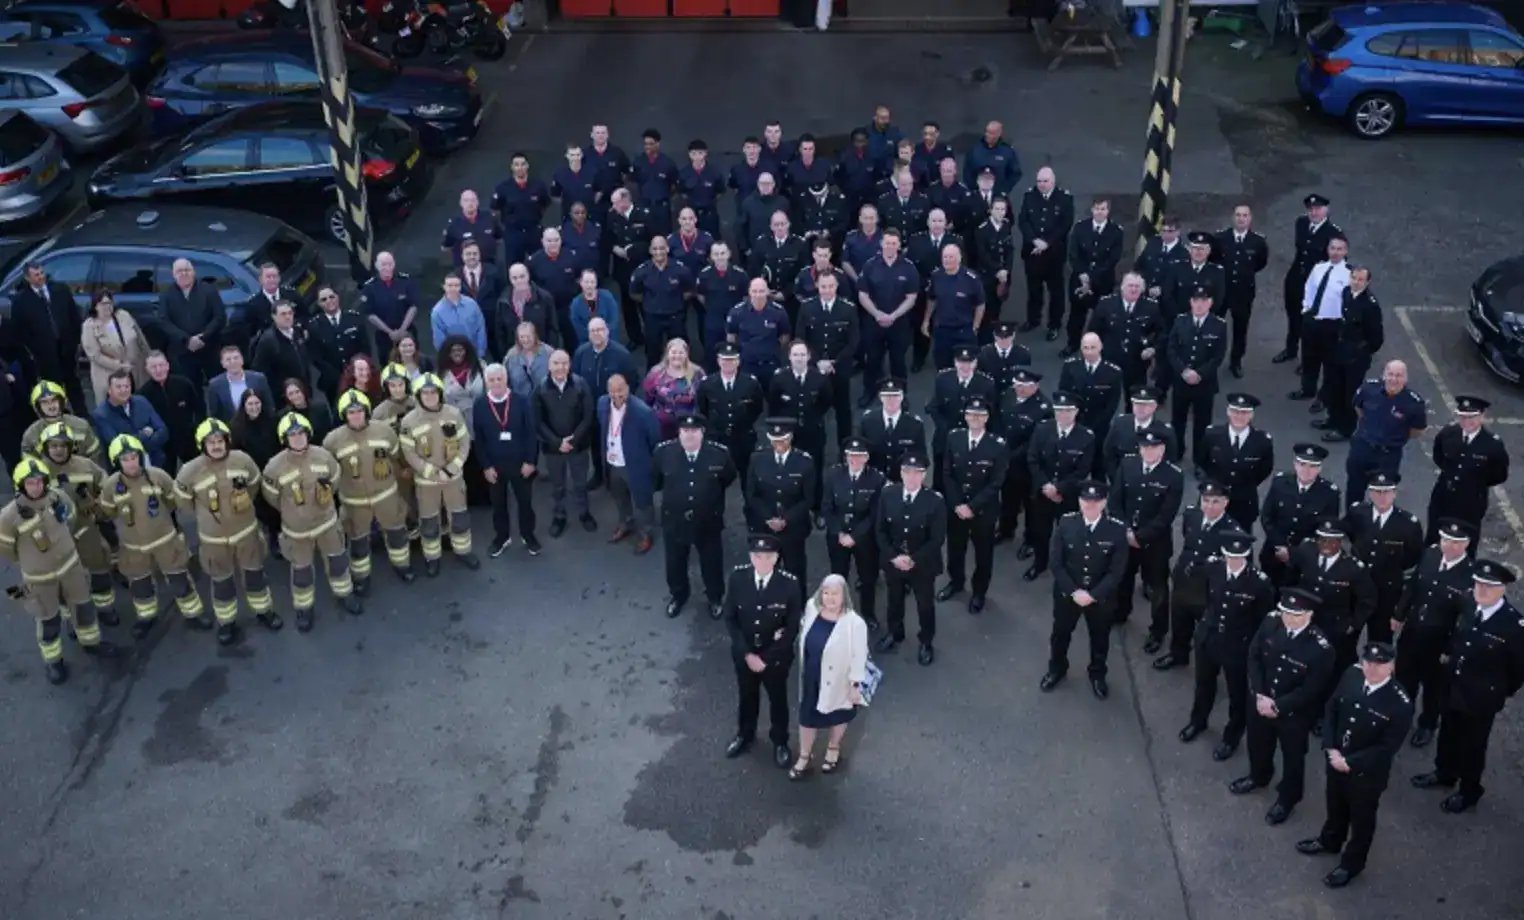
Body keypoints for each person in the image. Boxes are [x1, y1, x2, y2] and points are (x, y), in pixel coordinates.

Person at [1410, 559, 1524, 815]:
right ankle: (1445, 773)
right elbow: (1458, 639)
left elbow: (1518, 670)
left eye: (1489, 586)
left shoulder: (1514, 626)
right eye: (1478, 584)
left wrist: (1499, 691)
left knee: (1473, 746)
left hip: (1481, 697)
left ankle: (1469, 791)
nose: (1481, 590)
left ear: (1503, 589)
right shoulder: (1470, 607)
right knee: (1449, 733)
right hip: (1454, 685)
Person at [1295, 641, 1412, 888]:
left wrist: (1349, 761)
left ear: (1391, 667)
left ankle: (1352, 864)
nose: (1372, 668)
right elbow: (1332, 709)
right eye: (1369, 662)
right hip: (1336, 758)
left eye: (1380, 665)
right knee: (1335, 804)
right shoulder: (1351, 674)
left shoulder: (1399, 703)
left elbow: (1387, 747)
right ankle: (1330, 841)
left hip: (1365, 773)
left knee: (1362, 820)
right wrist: (1330, 746)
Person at [0, 458, 121, 684]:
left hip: (71, 568)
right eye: (30, 483)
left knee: (83, 607)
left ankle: (91, 643)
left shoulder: (58, 497)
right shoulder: (9, 517)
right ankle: (53, 662)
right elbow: (7, 549)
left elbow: (71, 519)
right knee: (48, 619)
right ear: (20, 485)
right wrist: (33, 561)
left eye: (39, 481)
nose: (36, 486)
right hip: (40, 579)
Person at [1231, 586, 1337, 825]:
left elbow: (1313, 688)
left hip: (1293, 714)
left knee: (1293, 758)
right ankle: (1258, 776)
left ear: (1309, 616)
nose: (1289, 619)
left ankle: (1288, 799)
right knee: (1258, 744)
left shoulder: (1321, 648)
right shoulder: (1271, 623)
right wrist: (1259, 694)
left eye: (1296, 615)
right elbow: (1254, 656)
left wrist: (1277, 706)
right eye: (1286, 613)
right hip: (1261, 701)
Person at [173, 418, 281, 643]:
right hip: (214, 540)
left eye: (220, 440)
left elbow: (253, 484)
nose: (216, 445)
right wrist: (206, 518)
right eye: (210, 442)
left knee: (255, 575)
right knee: (221, 582)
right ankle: (227, 623)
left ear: (227, 441)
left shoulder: (242, 460)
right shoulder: (189, 471)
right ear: (202, 444)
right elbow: (183, 502)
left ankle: (264, 612)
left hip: (246, 533)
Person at [1180, 530, 1277, 761]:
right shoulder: (1213, 568)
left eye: (1239, 557)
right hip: (1209, 638)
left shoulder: (1259, 583)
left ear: (1246, 556)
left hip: (1237, 646)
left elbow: (1264, 621)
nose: (1233, 561)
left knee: (1237, 695)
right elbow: (1206, 593)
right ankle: (1198, 721)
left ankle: (1231, 737)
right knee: (1203, 685)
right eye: (1229, 557)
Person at [100, 433, 207, 638]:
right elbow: (108, 511)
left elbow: (172, 502)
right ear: (117, 462)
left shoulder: (158, 476)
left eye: (134, 457)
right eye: (125, 459)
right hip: (133, 548)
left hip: (165, 541)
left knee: (179, 580)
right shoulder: (110, 487)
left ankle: (193, 614)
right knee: (140, 586)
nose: (131, 463)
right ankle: (146, 618)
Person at [262, 413, 362, 630]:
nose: (297, 438)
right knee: (302, 572)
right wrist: (293, 512)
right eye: (292, 434)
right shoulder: (274, 467)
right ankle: (304, 610)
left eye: (301, 433)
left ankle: (345, 594)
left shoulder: (323, 456)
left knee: (337, 561)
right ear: (284, 439)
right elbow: (271, 497)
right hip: (297, 532)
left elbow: (335, 480)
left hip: (327, 524)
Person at [1040, 481, 1129, 698]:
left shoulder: (1117, 530)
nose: (1090, 505)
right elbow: (1056, 563)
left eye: (1095, 501)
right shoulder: (1066, 523)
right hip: (1068, 594)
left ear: (1104, 502)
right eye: (1085, 501)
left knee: (1100, 638)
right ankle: (1057, 668)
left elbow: (1116, 571)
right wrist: (1073, 591)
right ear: (1079, 501)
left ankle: (1097, 674)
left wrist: (1093, 595)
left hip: (1100, 598)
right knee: (1060, 634)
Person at [322, 389, 416, 589]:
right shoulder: (332, 441)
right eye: (350, 412)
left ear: (366, 411)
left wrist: (405, 474)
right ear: (344, 415)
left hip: (386, 495)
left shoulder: (384, 431)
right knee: (358, 542)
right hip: (354, 502)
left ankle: (402, 566)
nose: (356, 415)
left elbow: (397, 456)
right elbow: (328, 474)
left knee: (396, 532)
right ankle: (361, 578)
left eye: (359, 411)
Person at [1393, 521, 1474, 749]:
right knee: (1404, 678)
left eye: (1456, 542)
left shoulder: (1469, 576)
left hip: (1439, 642)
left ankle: (1427, 724)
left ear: (1466, 544)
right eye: (1446, 540)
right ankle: (1401, 717)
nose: (1449, 546)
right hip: (1412, 632)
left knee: (1433, 687)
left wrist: (1450, 650)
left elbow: (1464, 622)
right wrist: (1399, 613)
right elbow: (1413, 586)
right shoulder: (1430, 555)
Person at [723, 534, 801, 768]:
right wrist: (747, 654)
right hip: (745, 655)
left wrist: (766, 658)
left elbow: (792, 627)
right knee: (747, 696)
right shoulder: (738, 578)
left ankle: (780, 742)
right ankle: (745, 735)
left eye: (768, 556)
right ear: (750, 557)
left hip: (775, 658)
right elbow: (731, 619)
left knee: (777, 699)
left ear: (776, 558)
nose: (762, 561)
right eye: (758, 556)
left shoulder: (789, 584)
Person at [652, 413, 735, 618]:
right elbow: (656, 480)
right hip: (675, 520)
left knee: (712, 562)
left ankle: (715, 597)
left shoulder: (719, 454)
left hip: (708, 520)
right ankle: (678, 596)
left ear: (702, 432)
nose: (689, 435)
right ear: (679, 433)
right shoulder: (663, 453)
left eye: (694, 431)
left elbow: (727, 478)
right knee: (675, 563)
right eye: (685, 431)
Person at [789, 573, 870, 779]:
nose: (830, 598)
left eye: (835, 593)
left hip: (839, 682)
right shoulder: (811, 608)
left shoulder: (854, 623)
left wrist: (855, 684)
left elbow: (859, 655)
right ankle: (805, 756)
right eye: (825, 593)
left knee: (838, 714)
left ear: (844, 596)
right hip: (812, 676)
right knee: (807, 718)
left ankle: (833, 748)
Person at [34, 422, 117, 621]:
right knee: (64, 579)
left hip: (85, 526)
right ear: (45, 448)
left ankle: (105, 610)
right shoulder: (38, 472)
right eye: (53, 446)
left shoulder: (85, 465)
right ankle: (73, 619)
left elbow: (106, 487)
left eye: (63, 445)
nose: (59, 450)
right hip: (55, 536)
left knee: (99, 567)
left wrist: (99, 504)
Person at [399, 374, 480, 575]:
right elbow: (409, 453)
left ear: (440, 393)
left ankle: (463, 552)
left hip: (453, 479)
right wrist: (432, 472)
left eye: (433, 392)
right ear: (418, 395)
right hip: (427, 483)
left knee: (459, 517)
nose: (429, 396)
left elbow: (464, 443)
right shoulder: (409, 421)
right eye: (425, 393)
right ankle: (432, 558)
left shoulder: (453, 413)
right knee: (429, 522)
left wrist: (452, 468)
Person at [1109, 430, 1184, 648]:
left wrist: (1139, 537)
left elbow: (1166, 516)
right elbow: (1115, 501)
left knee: (1158, 588)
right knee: (1123, 579)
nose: (1148, 451)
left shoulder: (1173, 475)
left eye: (1154, 447)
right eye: (1145, 447)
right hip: (1126, 536)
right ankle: (1121, 612)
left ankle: (1158, 631)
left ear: (1162, 449)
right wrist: (1125, 531)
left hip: (1155, 543)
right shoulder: (1128, 465)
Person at [874, 452, 946, 666]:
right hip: (894, 562)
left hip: (922, 564)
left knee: (924, 605)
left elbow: (937, 538)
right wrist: (893, 556)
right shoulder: (888, 495)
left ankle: (926, 641)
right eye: (907, 472)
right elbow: (880, 530)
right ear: (901, 473)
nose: (912, 477)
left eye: (917, 473)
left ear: (924, 476)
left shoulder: (935, 501)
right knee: (894, 600)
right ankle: (895, 633)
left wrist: (913, 559)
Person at [938, 397, 1009, 614]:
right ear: (965, 416)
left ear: (987, 418)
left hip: (983, 511)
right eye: (971, 414)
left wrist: (973, 506)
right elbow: (947, 473)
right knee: (955, 549)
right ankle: (956, 582)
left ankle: (979, 592)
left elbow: (997, 481)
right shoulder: (954, 438)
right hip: (956, 509)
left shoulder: (998, 445)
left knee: (983, 554)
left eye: (980, 415)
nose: (975, 419)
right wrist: (958, 504)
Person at [1341, 472, 1424, 645]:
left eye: (1386, 491)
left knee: (1379, 643)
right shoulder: (1358, 512)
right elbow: (1347, 534)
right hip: (1356, 587)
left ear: (1394, 493)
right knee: (1346, 637)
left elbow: (1412, 558)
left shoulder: (1408, 524)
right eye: (1377, 492)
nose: (1382, 496)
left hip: (1386, 592)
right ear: (1370, 493)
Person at [1155, 481, 1234, 656]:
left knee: (1207, 631)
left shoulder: (1231, 532)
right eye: (1206, 500)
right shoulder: (1192, 515)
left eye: (1215, 501)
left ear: (1225, 503)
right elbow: (1188, 541)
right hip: (1184, 579)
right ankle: (1178, 654)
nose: (1209, 506)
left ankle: (1207, 666)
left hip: (1206, 588)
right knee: (1179, 621)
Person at [1023, 392, 1095, 581]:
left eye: (1068, 410)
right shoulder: (1042, 430)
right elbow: (1032, 459)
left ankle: (1066, 567)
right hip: (1042, 493)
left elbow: (1082, 470)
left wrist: (1059, 488)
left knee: (1068, 534)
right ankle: (1039, 564)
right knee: (1040, 532)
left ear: (1076, 412)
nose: (1063, 414)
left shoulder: (1086, 437)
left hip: (1068, 495)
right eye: (1059, 410)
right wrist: (1045, 486)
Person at [1426, 395, 1509, 553]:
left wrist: (1474, 483)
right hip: (1443, 497)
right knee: (1434, 538)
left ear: (1482, 416)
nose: (1466, 422)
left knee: (1466, 543)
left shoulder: (1492, 445)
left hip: (1470, 503)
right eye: (1463, 417)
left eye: (1472, 417)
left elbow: (1499, 475)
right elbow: (1439, 457)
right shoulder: (1448, 434)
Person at [745, 418, 815, 596]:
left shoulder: (804, 462)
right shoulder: (757, 459)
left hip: (793, 528)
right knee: (766, 570)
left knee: (795, 570)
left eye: (783, 439)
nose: (779, 444)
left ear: (790, 438)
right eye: (775, 440)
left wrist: (786, 519)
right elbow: (751, 494)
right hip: (764, 527)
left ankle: (797, 607)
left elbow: (808, 498)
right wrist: (768, 518)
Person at [822, 436, 886, 631]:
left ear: (866, 458)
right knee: (838, 576)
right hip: (837, 536)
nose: (854, 460)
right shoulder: (833, 475)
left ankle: (867, 613)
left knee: (867, 577)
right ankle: (837, 611)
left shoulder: (877, 479)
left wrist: (855, 536)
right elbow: (827, 507)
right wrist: (839, 533)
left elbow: (875, 514)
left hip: (864, 539)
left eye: (859, 456)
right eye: (850, 455)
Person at [1315, 265, 1383, 442]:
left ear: (1367, 282)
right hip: (1340, 349)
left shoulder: (1370, 306)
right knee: (1334, 387)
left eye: (1360, 279)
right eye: (1354, 278)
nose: (1356, 282)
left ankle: (1345, 428)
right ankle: (1333, 419)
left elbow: (1376, 338)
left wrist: (1360, 352)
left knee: (1348, 394)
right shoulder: (1346, 293)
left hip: (1355, 356)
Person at [534, 351, 597, 537]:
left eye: (564, 363)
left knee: (580, 483)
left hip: (578, 446)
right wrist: (557, 443)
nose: (560, 367)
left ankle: (584, 513)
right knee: (558, 485)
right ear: (549, 365)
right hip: (553, 449)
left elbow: (587, 417)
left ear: (570, 365)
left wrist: (573, 439)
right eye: (556, 363)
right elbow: (538, 422)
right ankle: (559, 516)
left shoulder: (580, 385)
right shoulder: (540, 388)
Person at [1164, 285, 1229, 467]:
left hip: (1204, 384)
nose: (1199, 305)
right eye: (1196, 301)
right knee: (1177, 421)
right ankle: (1176, 453)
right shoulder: (1180, 321)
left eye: (1204, 301)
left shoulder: (1219, 325)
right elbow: (1171, 350)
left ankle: (1200, 461)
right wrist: (1183, 371)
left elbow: (1218, 355)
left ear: (1210, 303)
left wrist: (1200, 374)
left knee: (1202, 425)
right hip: (1181, 381)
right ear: (1191, 302)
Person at [1274, 194, 1343, 365]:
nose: (1314, 212)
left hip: (1316, 286)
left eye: (1318, 209)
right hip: (1296, 278)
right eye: (1311, 209)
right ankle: (1290, 350)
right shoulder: (1302, 223)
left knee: (1310, 325)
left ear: (1326, 210)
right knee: (1293, 317)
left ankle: (1308, 361)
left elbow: (1338, 264)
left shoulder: (1334, 234)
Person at [1260, 443, 1341, 587]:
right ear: (1295, 464)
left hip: (1305, 557)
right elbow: (1267, 517)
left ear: (1319, 469)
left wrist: (1295, 552)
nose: (1306, 470)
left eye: (1312, 466)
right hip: (1274, 551)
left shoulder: (1329, 493)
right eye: (1302, 464)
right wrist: (1279, 545)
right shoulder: (1280, 483)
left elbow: (1327, 530)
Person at [1346, 360, 1426, 505]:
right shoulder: (1369, 388)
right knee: (1353, 491)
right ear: (1384, 375)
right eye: (1390, 374)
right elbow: (1359, 408)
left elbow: (1417, 430)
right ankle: (1351, 522)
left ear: (1405, 378)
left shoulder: (1414, 403)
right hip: (1362, 447)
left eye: (1399, 375)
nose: (1394, 379)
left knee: (1382, 496)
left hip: (1387, 455)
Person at [857, 229, 921, 405]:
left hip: (899, 323)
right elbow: (863, 295)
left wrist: (893, 315)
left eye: (894, 243)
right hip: (873, 322)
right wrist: (877, 314)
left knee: (898, 362)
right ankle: (869, 392)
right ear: (881, 243)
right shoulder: (870, 265)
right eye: (887, 243)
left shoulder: (909, 267)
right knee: (872, 361)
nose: (890, 246)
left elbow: (912, 297)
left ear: (899, 245)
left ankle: (901, 396)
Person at [599, 373, 660, 555]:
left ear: (628, 388)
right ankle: (625, 524)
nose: (617, 394)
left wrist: (645, 462)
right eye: (612, 391)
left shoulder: (643, 412)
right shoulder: (602, 404)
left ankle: (645, 534)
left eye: (620, 390)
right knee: (619, 497)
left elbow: (655, 440)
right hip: (612, 462)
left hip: (635, 465)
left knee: (643, 503)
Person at [767, 342, 830, 518]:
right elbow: (774, 404)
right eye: (795, 355)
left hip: (813, 432)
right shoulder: (780, 378)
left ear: (809, 357)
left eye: (802, 355)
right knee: (786, 470)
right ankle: (790, 508)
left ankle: (817, 510)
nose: (799, 358)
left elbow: (825, 402)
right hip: (789, 434)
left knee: (816, 470)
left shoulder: (819, 378)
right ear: (789, 357)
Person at [794, 271, 859, 437]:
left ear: (837, 286)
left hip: (839, 368)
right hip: (813, 368)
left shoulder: (848, 309)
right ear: (817, 286)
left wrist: (834, 362)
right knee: (811, 409)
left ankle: (845, 448)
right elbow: (801, 339)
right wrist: (817, 361)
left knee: (843, 410)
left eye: (831, 286)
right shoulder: (807, 307)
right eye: (823, 286)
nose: (827, 290)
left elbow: (853, 342)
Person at [1198, 393, 1275, 533]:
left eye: (1244, 413)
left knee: (1240, 543)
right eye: (1235, 411)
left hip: (1243, 502)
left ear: (1251, 415)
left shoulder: (1262, 441)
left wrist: (1245, 484)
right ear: (1228, 412)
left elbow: (1265, 469)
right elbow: (1202, 461)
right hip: (1214, 498)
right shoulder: (1212, 435)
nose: (1239, 416)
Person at [1289, 234, 1351, 408]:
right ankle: (1307, 389)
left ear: (1345, 251)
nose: (1336, 252)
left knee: (1330, 363)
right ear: (1327, 249)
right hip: (1312, 321)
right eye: (1333, 248)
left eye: (1340, 249)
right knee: (1309, 358)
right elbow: (1308, 289)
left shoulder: (1349, 275)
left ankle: (1324, 397)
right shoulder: (1319, 268)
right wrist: (1306, 309)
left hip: (1333, 324)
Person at [696, 342, 765, 489]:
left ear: (738, 361)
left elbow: (757, 408)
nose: (728, 363)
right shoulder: (707, 384)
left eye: (732, 359)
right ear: (718, 361)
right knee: (714, 482)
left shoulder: (750, 383)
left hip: (743, 439)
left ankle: (750, 510)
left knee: (748, 480)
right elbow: (703, 409)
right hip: (717, 438)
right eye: (724, 359)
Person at [1212, 204, 1270, 378]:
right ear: (1233, 217)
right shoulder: (1220, 238)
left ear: (1250, 218)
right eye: (1238, 215)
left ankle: (1236, 361)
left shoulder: (1258, 242)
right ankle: (1211, 359)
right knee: (1214, 327)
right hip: (1221, 291)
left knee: (1240, 329)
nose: (1241, 218)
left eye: (1245, 215)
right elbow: (1214, 260)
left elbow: (1260, 263)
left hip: (1243, 293)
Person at [996, 368, 1050, 549]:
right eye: (1017, 385)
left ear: (1035, 387)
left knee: (1031, 505)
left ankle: (1030, 539)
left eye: (1024, 386)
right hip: (1005, 461)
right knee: (1008, 498)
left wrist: (1011, 456)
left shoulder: (1043, 408)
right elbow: (1000, 423)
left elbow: (1036, 441)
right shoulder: (1008, 396)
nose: (1019, 389)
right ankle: (1006, 530)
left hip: (1027, 465)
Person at [1062, 197, 1124, 355]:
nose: (1099, 212)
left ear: (1108, 211)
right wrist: (1082, 274)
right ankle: (1073, 344)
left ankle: (1097, 347)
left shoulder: (1116, 232)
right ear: (1092, 209)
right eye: (1097, 208)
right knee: (1076, 316)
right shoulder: (1080, 228)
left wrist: (1092, 278)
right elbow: (1073, 254)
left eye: (1103, 209)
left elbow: (1112, 260)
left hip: (1103, 282)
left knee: (1102, 317)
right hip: (1079, 279)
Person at [1016, 167, 1074, 333]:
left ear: (1053, 181)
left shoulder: (1064, 199)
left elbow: (1065, 225)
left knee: (1056, 293)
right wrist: (1034, 240)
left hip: (1054, 255)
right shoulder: (1029, 196)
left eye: (1045, 181)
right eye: (1039, 181)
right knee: (1034, 291)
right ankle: (1033, 319)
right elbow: (1023, 221)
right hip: (1032, 254)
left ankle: (1054, 325)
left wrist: (1047, 243)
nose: (1041, 184)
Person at [1087, 272, 1162, 395]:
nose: (1133, 289)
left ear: (1142, 289)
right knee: (1104, 398)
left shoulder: (1151, 307)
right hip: (1109, 359)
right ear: (1122, 287)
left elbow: (1161, 332)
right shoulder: (1106, 304)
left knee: (1134, 399)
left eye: (1137, 287)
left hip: (1137, 361)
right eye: (1130, 285)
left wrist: (1152, 348)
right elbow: (1093, 331)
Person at [155, 259, 224, 386]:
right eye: (179, 271)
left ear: (194, 272)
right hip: (182, 352)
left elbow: (219, 317)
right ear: (173, 274)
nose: (184, 274)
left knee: (218, 386)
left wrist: (203, 336)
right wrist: (186, 339)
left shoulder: (209, 290)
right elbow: (163, 322)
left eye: (187, 270)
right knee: (190, 389)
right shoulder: (166, 295)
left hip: (209, 348)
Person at [230, 388, 282, 556]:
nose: (254, 407)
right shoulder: (236, 426)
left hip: (274, 471)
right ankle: (272, 535)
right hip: (253, 475)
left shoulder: (273, 420)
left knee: (278, 505)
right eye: (250, 404)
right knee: (263, 508)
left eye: (257, 403)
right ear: (244, 406)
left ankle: (279, 533)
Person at [630, 236, 696, 367]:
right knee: (652, 353)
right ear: (650, 250)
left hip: (675, 316)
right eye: (655, 249)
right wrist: (651, 302)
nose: (658, 252)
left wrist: (675, 301)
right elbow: (634, 293)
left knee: (679, 351)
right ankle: (652, 383)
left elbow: (689, 290)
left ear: (667, 249)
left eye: (661, 248)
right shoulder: (642, 271)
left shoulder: (680, 269)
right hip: (653, 317)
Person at [139, 351, 202, 474]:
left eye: (161, 365)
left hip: (188, 439)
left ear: (167, 366)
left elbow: (200, 408)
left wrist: (197, 429)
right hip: (163, 446)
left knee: (198, 473)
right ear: (147, 369)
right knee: (166, 478)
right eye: (153, 367)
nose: (158, 370)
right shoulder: (143, 395)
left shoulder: (184, 384)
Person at [91, 370, 169, 468]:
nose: (124, 390)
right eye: (119, 387)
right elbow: (120, 447)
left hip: (156, 464)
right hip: (125, 470)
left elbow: (163, 431)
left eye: (127, 386)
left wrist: (137, 441)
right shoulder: (101, 415)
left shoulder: (142, 401)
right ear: (109, 390)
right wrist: (145, 434)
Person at [1101, 385, 1178, 483]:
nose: (1140, 408)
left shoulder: (1165, 431)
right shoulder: (1120, 424)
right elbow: (1109, 453)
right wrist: (1115, 477)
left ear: (1154, 407)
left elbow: (1170, 460)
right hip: (1122, 481)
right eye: (1137, 404)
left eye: (1145, 405)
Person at [81, 290, 147, 403]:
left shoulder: (123, 315)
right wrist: (119, 366)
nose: (107, 306)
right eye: (103, 303)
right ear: (95, 306)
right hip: (108, 374)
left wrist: (148, 356)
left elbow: (140, 338)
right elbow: (94, 355)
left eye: (109, 303)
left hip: (134, 370)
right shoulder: (89, 325)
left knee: (136, 402)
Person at [1055, 332, 1123, 440]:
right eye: (1085, 348)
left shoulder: (1113, 372)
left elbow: (1112, 403)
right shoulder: (1070, 367)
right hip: (1074, 421)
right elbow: (1063, 393)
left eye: (1093, 347)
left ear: (1100, 347)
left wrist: (1099, 424)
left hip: (1099, 424)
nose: (1089, 352)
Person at [307, 286, 368, 403]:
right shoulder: (314, 326)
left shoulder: (354, 318)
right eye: (324, 299)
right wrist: (338, 377)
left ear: (338, 297)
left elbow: (365, 348)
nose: (329, 301)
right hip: (332, 381)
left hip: (357, 375)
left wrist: (355, 371)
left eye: (331, 297)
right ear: (319, 304)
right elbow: (316, 357)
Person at [359, 251, 422, 359]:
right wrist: (390, 332)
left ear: (394, 264)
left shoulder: (405, 281)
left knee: (413, 362)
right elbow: (370, 314)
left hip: (407, 332)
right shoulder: (369, 287)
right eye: (383, 264)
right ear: (376, 266)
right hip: (384, 335)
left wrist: (402, 330)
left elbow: (413, 306)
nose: (387, 267)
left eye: (390, 264)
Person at [727, 277, 791, 382]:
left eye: (761, 291)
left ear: (767, 292)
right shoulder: (737, 312)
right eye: (754, 291)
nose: (758, 295)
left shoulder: (778, 312)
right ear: (749, 292)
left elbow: (785, 337)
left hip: (770, 364)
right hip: (746, 365)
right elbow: (731, 337)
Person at [643, 339, 704, 442]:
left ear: (686, 354)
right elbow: (648, 399)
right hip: (662, 424)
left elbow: (703, 398)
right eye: (674, 352)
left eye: (681, 352)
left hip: (689, 425)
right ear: (667, 354)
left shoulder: (697, 373)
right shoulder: (656, 373)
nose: (677, 356)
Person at [251, 300, 313, 395]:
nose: (288, 317)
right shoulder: (268, 341)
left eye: (290, 313)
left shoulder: (298, 332)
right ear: (274, 316)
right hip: (284, 394)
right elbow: (259, 371)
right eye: (283, 314)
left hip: (304, 388)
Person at [496, 262, 556, 356]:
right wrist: (504, 354)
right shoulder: (503, 301)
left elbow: (553, 328)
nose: (519, 281)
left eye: (522, 276)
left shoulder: (544, 297)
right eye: (514, 278)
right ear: (510, 279)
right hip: (515, 354)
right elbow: (500, 332)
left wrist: (550, 352)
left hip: (541, 352)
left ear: (528, 276)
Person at [207, 346, 275, 423]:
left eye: (236, 358)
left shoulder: (259, 379)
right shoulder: (215, 385)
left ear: (242, 360)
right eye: (228, 360)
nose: (233, 362)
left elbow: (269, 406)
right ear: (223, 364)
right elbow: (214, 416)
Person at [430, 275, 488, 358]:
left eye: (456, 285)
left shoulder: (472, 304)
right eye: (450, 285)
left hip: (474, 353)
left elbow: (480, 329)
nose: (453, 288)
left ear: (460, 287)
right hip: (451, 357)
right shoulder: (437, 312)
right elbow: (439, 339)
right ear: (444, 287)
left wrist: (480, 352)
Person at [569, 269, 621, 347]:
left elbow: (614, 320)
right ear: (581, 283)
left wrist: (603, 337)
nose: (589, 285)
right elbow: (578, 328)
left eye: (592, 282)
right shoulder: (575, 304)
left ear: (596, 283)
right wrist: (595, 338)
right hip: (587, 344)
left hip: (610, 341)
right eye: (586, 282)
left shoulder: (607, 296)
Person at [504, 322, 553, 400]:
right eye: (522, 337)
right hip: (520, 402)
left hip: (545, 401)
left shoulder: (548, 352)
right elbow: (505, 381)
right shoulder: (511, 355)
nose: (526, 340)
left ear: (535, 336)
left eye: (528, 336)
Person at [281, 378, 334, 446]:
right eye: (291, 394)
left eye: (297, 392)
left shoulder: (320, 408)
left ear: (303, 391)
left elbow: (329, 432)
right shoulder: (284, 416)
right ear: (286, 396)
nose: (295, 396)